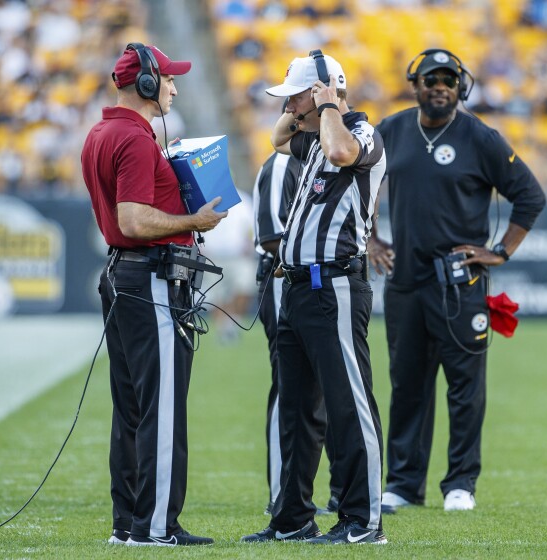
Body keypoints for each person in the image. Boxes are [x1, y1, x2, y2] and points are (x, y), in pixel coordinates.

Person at [368, 48, 546, 513]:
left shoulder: (481, 138)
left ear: (461, 87)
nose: (440, 87)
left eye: (448, 80)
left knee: (465, 387)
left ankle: (461, 483)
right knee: (407, 384)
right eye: (431, 80)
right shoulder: (391, 130)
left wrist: (500, 251)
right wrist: (370, 239)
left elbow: (530, 196)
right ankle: (403, 484)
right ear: (416, 85)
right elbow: (355, 182)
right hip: (406, 280)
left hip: (460, 285)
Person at [80, 43, 226, 547]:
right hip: (150, 278)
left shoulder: (102, 132)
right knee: (161, 407)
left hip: (125, 276)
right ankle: (157, 526)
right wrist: (194, 219)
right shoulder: (135, 138)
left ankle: (128, 523)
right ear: (145, 83)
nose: (174, 88)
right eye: (167, 79)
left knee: (131, 408)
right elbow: (134, 220)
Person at [241, 50, 387, 545]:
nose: (288, 107)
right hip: (298, 288)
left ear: (323, 92)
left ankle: (363, 521)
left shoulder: (360, 133)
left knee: (348, 404)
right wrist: (307, 109)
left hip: (336, 286)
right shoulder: (312, 138)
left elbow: (344, 153)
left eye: (295, 97)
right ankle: (293, 518)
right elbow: (277, 139)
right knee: (297, 410)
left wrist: (328, 104)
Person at [251, 150, 342, 517]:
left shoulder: (322, 158)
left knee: (326, 386)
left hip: (314, 281)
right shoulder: (281, 164)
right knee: (289, 386)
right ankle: (282, 493)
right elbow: (272, 235)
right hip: (283, 279)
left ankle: (340, 490)